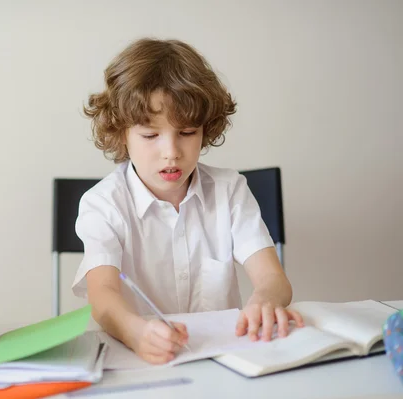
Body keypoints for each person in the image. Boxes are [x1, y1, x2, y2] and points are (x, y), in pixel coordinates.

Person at [72, 37, 304, 365]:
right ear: (121, 131)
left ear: (205, 130)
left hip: (227, 359)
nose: (171, 152)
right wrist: (135, 331)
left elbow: (272, 279)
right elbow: (103, 295)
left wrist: (264, 300)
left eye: (187, 132)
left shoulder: (229, 190)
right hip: (141, 362)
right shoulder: (103, 204)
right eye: (150, 135)